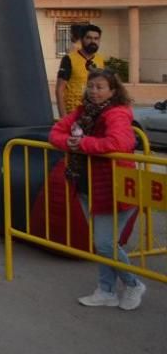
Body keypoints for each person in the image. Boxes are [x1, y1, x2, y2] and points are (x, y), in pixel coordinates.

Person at [48, 69, 145, 310]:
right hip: (87, 184)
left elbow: (120, 143)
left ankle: (132, 284)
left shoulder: (117, 113)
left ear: (113, 90)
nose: (94, 91)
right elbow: (55, 133)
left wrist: (81, 144)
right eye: (91, 86)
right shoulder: (83, 112)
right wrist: (69, 142)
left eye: (100, 87)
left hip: (114, 185)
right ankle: (107, 291)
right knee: (105, 243)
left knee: (105, 244)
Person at [56, 24, 105, 118]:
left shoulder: (100, 60)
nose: (93, 41)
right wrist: (63, 117)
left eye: (96, 38)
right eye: (89, 38)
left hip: (94, 113)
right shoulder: (69, 59)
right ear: (82, 39)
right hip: (74, 114)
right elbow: (59, 90)